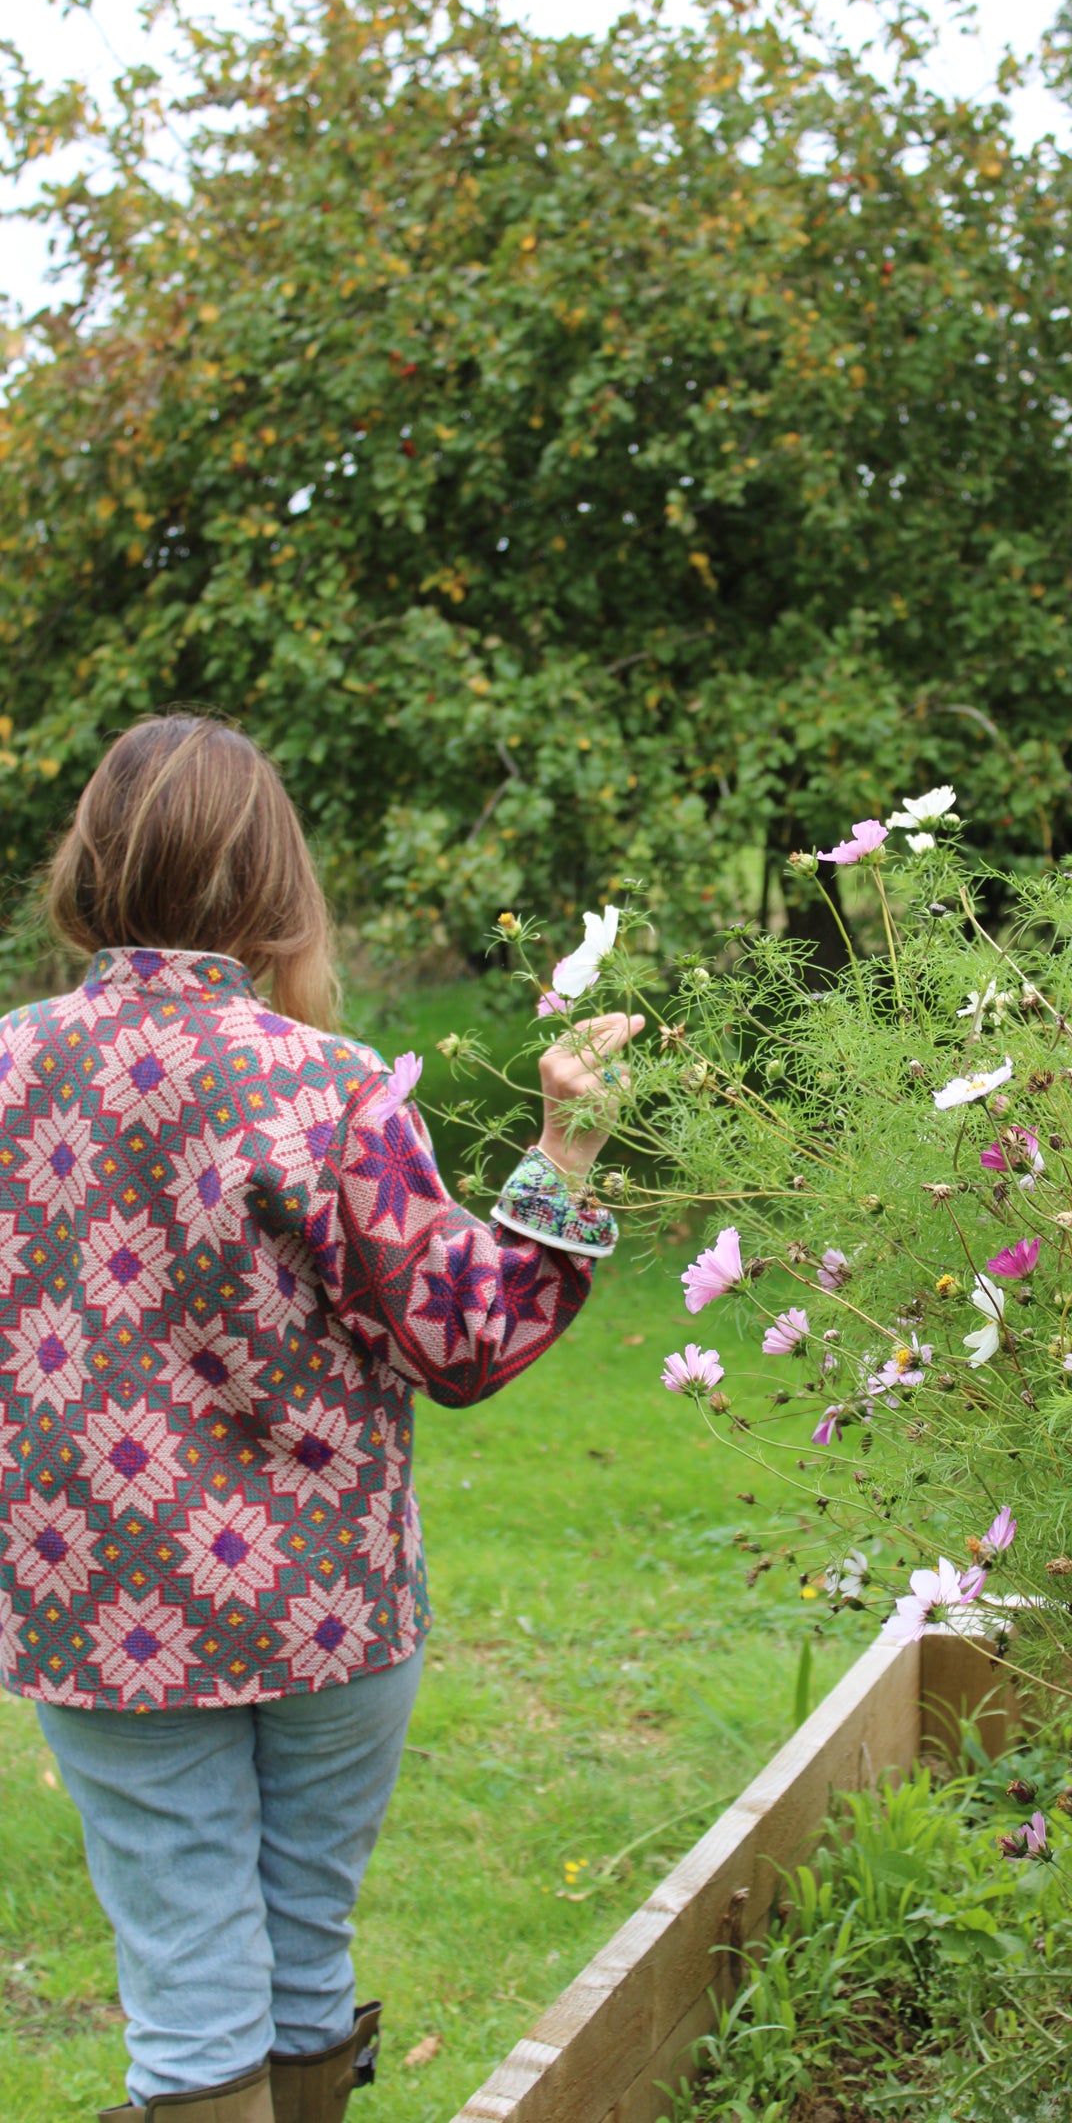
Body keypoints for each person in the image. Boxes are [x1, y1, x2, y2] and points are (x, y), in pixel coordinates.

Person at [0, 714, 640, 2123]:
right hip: (326, 1605)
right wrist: (562, 1157)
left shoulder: (4, 1070)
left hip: (95, 1605)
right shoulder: (328, 1085)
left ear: (91, 868)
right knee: (301, 1951)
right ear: (274, 885)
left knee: (185, 1984)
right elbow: (461, 1342)